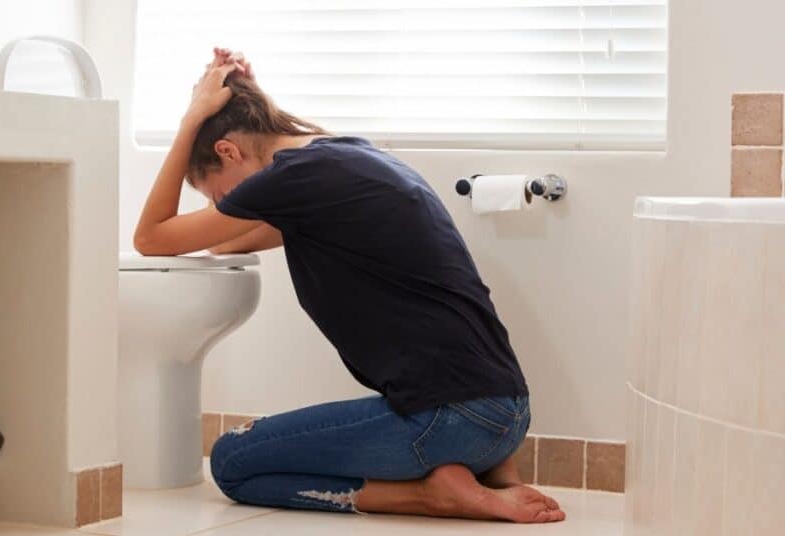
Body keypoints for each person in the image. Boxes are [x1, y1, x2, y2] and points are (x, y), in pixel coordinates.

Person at [133, 47, 565, 523]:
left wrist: (192, 120)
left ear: (228, 151)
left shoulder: (288, 179)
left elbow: (151, 238)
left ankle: (430, 495)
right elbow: (224, 244)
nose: (226, 205)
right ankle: (485, 473)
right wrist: (242, 94)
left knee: (232, 461)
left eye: (218, 194)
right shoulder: (346, 157)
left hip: (448, 418)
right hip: (507, 414)